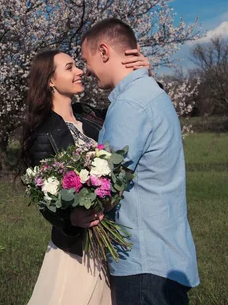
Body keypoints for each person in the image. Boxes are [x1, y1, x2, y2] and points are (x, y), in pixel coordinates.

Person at [80, 18, 199, 305]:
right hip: (165, 253)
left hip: (144, 259)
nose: (86, 70)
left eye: (87, 60)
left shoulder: (130, 104)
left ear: (105, 52)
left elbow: (105, 179)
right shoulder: (152, 93)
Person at [23, 46, 151, 304]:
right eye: (70, 67)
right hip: (79, 250)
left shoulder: (89, 115)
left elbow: (135, 114)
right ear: (50, 80)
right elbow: (44, 196)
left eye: (77, 65)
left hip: (114, 241)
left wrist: (145, 78)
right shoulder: (43, 134)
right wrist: (71, 218)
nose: (80, 71)